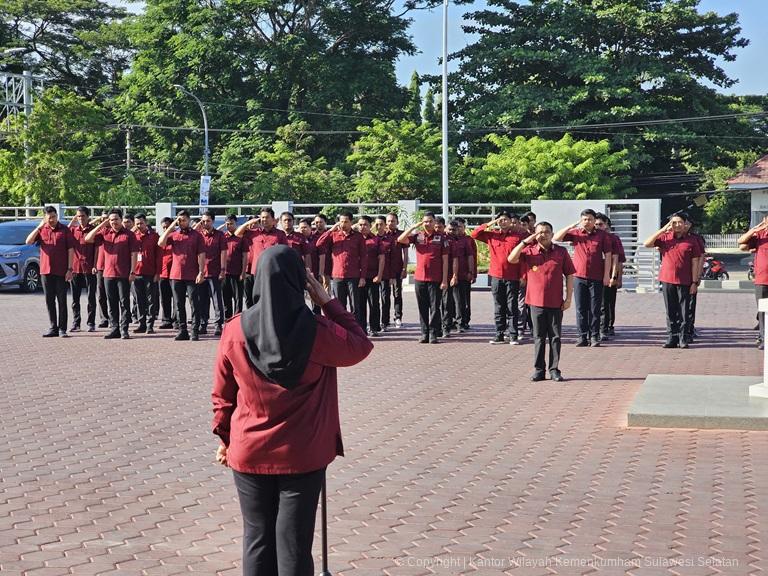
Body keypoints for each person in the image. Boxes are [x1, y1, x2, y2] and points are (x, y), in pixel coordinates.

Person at [211, 246, 373, 576]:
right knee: (295, 543)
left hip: (249, 449)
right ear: (300, 282)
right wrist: (328, 302)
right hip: (303, 452)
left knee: (256, 538)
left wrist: (225, 440)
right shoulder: (318, 330)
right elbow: (360, 345)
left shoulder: (235, 330)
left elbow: (222, 397)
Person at [508, 222, 575, 382]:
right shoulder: (529, 252)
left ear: (552, 234)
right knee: (538, 337)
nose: (543, 235)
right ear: (534, 234)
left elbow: (570, 275)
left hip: (555, 302)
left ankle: (554, 369)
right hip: (535, 302)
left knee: (555, 337)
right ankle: (539, 370)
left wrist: (568, 298)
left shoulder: (561, 252)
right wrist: (526, 241)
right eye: (539, 232)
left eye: (546, 232)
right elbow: (511, 258)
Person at [643, 213, 702, 349]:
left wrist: (694, 282)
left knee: (683, 311)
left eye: (680, 222)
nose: (677, 225)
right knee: (670, 310)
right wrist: (663, 229)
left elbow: (695, 262)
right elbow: (647, 243)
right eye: (674, 222)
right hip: (667, 279)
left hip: (685, 280)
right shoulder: (665, 238)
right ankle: (672, 337)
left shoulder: (692, 241)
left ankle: (683, 337)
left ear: (685, 224)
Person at [554, 209, 613, 347]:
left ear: (594, 221)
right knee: (581, 308)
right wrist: (571, 226)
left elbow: (608, 255)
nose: (587, 222)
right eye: (584, 219)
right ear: (581, 220)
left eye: (590, 219)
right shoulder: (576, 234)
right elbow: (556, 237)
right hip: (579, 276)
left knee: (595, 308)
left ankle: (594, 336)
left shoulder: (602, 235)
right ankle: (582, 336)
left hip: (597, 277)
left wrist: (606, 275)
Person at [471, 212, 527, 345]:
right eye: (500, 220)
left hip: (513, 277)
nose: (503, 222)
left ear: (510, 221)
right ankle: (499, 334)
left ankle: (513, 335)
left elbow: (524, 258)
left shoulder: (518, 237)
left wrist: (523, 276)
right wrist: (490, 224)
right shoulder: (492, 235)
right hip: (496, 276)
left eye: (505, 220)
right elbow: (474, 234)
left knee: (512, 306)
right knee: (498, 306)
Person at [85, 209, 140, 340]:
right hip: (108, 274)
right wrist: (102, 224)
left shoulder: (129, 235)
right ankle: (114, 328)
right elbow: (87, 238)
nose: (113, 222)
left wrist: (133, 271)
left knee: (124, 302)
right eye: (111, 220)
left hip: (123, 273)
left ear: (121, 219)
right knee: (111, 302)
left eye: (116, 219)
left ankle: (124, 329)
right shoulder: (105, 233)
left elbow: (134, 254)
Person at [398, 212, 449, 343]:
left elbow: (445, 261)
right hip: (420, 278)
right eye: (425, 221)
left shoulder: (442, 238)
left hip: (435, 279)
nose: (428, 224)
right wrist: (414, 227)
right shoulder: (418, 236)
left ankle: (433, 334)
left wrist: (444, 280)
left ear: (434, 222)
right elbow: (400, 239)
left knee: (434, 307)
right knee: (422, 307)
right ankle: (424, 333)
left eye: (430, 221)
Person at [25, 205, 74, 337]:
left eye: (53, 217)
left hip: (61, 271)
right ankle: (53, 328)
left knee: (62, 300)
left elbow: (71, 250)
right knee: (49, 300)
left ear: (57, 216)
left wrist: (70, 269)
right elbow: (28, 241)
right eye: (49, 217)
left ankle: (63, 329)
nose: (52, 220)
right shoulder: (42, 230)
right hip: (45, 271)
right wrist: (39, 227)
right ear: (44, 218)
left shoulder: (65, 230)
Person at [158, 210, 206, 341]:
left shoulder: (197, 235)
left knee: (194, 303)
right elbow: (160, 243)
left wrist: (201, 272)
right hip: (176, 274)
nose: (181, 222)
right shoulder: (174, 235)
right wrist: (171, 227)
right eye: (179, 220)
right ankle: (183, 330)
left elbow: (201, 255)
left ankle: (195, 330)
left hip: (192, 274)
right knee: (179, 304)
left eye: (184, 220)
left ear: (189, 220)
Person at [315, 211, 367, 315]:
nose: (343, 224)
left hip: (354, 276)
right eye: (341, 222)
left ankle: (355, 330)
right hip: (338, 276)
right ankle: (342, 330)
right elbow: (319, 244)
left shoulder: (358, 237)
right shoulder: (333, 235)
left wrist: (363, 277)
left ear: (351, 222)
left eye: (346, 222)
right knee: (339, 307)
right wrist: (331, 230)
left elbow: (364, 257)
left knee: (355, 306)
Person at [738, 216, 768, 350]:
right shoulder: (760, 236)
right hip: (762, 279)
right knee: (762, 311)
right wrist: (756, 229)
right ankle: (763, 337)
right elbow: (741, 242)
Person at [197, 211, 228, 336]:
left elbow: (224, 253)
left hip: (215, 272)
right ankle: (203, 324)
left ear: (213, 221)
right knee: (202, 300)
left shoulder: (220, 235)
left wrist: (222, 270)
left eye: (208, 221)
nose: (205, 223)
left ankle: (218, 324)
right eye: (203, 221)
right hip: (201, 273)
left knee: (217, 300)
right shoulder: (198, 235)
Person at [235, 208, 288, 280]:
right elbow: (237, 234)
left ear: (273, 219)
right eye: (262, 217)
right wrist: (248, 223)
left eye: (267, 217)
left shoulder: (280, 234)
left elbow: (285, 252)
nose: (264, 219)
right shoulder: (254, 232)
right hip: (257, 271)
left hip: (273, 270)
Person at [595, 213, 623, 340]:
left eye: (600, 224)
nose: (597, 226)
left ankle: (606, 327)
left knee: (608, 303)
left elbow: (618, 259)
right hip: (595, 275)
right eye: (595, 224)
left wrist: (616, 277)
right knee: (598, 303)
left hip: (610, 274)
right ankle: (599, 327)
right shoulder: (592, 238)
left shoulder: (613, 238)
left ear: (606, 224)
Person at [68, 206, 97, 332]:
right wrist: (73, 220)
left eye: (83, 216)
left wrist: (95, 265)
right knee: (75, 299)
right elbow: (66, 231)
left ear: (88, 217)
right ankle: (76, 322)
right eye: (78, 216)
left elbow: (97, 249)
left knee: (91, 297)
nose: (80, 219)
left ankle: (91, 323)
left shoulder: (93, 231)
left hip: (89, 268)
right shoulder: (73, 230)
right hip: (75, 269)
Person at [133, 213, 161, 334]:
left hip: (150, 273)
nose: (139, 225)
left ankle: (150, 324)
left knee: (151, 300)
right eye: (137, 223)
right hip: (137, 273)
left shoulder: (154, 236)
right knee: (139, 300)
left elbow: (159, 256)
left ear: (146, 222)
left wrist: (158, 273)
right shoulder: (133, 236)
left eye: (141, 223)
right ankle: (142, 323)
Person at [357, 215, 386, 336]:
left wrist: (379, 275)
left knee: (374, 303)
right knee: (359, 304)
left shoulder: (376, 240)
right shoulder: (354, 239)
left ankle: (374, 327)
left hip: (372, 276)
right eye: (360, 224)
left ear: (370, 226)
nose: (362, 227)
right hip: (357, 277)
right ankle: (361, 328)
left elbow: (382, 258)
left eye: (365, 225)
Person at [382, 212, 408, 329]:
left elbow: (405, 253)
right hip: (385, 270)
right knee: (384, 295)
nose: (390, 223)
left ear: (397, 222)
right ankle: (385, 320)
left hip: (397, 268)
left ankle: (398, 317)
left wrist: (404, 268)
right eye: (388, 221)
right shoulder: (382, 235)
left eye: (393, 221)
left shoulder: (401, 235)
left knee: (397, 294)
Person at [684, 218, 706, 343]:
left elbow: (701, 257)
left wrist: (697, 278)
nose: (684, 225)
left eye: (687, 222)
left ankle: (689, 329)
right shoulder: (670, 237)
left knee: (690, 305)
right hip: (676, 279)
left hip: (690, 278)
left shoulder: (696, 239)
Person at [453, 219, 476, 332]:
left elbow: (472, 257)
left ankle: (464, 321)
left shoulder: (468, 240)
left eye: (461, 227)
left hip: (464, 275)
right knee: (453, 300)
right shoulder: (449, 239)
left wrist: (472, 273)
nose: (458, 229)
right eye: (456, 227)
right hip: (451, 275)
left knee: (463, 300)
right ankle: (454, 320)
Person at [222, 214, 244, 321]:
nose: (229, 226)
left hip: (237, 272)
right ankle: (228, 319)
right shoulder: (222, 238)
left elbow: (245, 256)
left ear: (236, 224)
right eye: (227, 224)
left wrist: (243, 272)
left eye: (231, 224)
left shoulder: (240, 239)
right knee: (226, 297)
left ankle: (237, 319)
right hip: (224, 272)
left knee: (238, 298)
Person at [157, 217, 177, 329]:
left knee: (176, 298)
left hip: (175, 273)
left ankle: (176, 320)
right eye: (163, 227)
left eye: (167, 227)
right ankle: (166, 320)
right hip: (163, 273)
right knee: (164, 298)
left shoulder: (176, 237)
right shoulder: (162, 238)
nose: (165, 229)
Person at [441, 221, 460, 338]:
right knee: (437, 304)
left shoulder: (453, 243)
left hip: (447, 277)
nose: (451, 232)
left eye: (453, 230)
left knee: (447, 302)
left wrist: (454, 275)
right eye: (449, 229)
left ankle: (446, 327)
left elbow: (455, 260)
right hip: (436, 276)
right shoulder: (439, 240)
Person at [93, 210, 110, 328]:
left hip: (113, 268)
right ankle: (104, 318)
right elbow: (95, 249)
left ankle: (116, 317)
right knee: (101, 295)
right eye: (102, 219)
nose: (105, 221)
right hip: (100, 267)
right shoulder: (100, 232)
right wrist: (94, 265)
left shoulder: (115, 230)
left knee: (113, 295)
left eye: (107, 219)